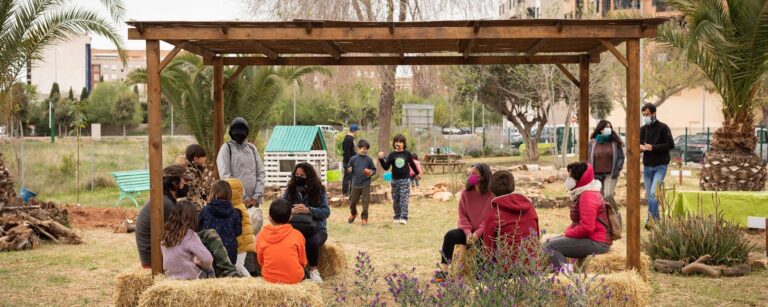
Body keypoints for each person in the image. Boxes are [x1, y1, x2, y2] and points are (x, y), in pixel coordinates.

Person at [544, 162, 612, 271]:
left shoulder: (588, 196)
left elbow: (587, 227)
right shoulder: (584, 192)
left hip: (597, 242)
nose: (568, 179)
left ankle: (566, 274)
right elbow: (577, 222)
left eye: (570, 176)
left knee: (551, 246)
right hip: (592, 238)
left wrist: (567, 234)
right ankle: (566, 270)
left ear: (579, 179)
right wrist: (566, 234)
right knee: (548, 242)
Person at [432, 164, 494, 282]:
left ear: (483, 176)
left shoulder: (491, 195)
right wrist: (468, 232)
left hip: (484, 233)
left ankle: (480, 275)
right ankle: (443, 272)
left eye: (474, 174)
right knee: (450, 235)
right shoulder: (466, 193)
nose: (470, 176)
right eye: (470, 173)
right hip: (468, 233)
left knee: (483, 244)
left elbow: (489, 219)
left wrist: (477, 234)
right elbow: (463, 216)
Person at [135, 165, 194, 268]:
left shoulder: (164, 199)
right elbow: (182, 233)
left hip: (152, 256)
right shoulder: (166, 204)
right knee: (205, 237)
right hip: (154, 261)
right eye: (184, 181)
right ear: (174, 183)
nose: (187, 185)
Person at [282, 163, 331, 282]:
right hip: (295, 227)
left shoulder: (319, 190)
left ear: (309, 176)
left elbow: (326, 211)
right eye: (297, 175)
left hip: (317, 229)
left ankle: (313, 270)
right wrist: (289, 210)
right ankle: (296, 270)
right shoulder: (290, 190)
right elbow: (281, 208)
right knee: (289, 242)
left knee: (312, 242)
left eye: (302, 175)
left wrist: (309, 210)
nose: (299, 177)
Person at [482, 170, 539, 264]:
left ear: (491, 191)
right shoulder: (530, 208)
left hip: (507, 268)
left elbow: (488, 252)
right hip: (532, 265)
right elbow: (536, 238)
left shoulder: (493, 215)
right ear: (513, 187)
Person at [217, 117, 266, 211]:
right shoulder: (226, 148)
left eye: (242, 130)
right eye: (237, 130)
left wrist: (257, 196)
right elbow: (226, 176)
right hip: (235, 201)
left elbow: (260, 173)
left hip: (253, 202)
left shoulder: (252, 148)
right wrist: (243, 197)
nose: (239, 133)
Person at [256, 198, 308, 284]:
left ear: (269, 217)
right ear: (290, 217)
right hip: (294, 279)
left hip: (269, 278)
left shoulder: (261, 235)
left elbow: (260, 260)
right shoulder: (297, 235)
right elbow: (303, 261)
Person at [160, 200, 214, 280]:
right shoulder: (190, 235)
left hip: (171, 278)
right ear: (192, 217)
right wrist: (199, 263)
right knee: (210, 270)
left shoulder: (165, 236)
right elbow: (208, 259)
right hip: (191, 277)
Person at [640, 103, 674, 227]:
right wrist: (640, 148)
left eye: (647, 114)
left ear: (654, 113)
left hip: (660, 166)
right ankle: (657, 220)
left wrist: (653, 147)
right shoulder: (642, 129)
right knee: (650, 196)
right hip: (647, 167)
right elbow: (638, 144)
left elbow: (670, 145)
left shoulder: (663, 128)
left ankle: (650, 221)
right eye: (644, 115)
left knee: (653, 194)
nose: (645, 117)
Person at [378, 134, 420, 225]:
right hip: (395, 180)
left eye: (401, 142)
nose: (398, 143)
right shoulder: (392, 155)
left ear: (404, 144)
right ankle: (397, 216)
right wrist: (381, 159)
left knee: (404, 198)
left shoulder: (407, 153)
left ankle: (403, 217)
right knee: (396, 198)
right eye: (396, 142)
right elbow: (386, 167)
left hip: (405, 179)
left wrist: (417, 173)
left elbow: (412, 164)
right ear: (394, 143)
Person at [198, 180, 242, 265]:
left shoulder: (205, 210)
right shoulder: (235, 212)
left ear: (213, 192)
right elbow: (238, 231)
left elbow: (198, 228)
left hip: (209, 250)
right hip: (229, 251)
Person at [588, 120, 625, 210]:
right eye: (606, 127)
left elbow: (621, 157)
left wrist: (618, 167)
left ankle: (616, 212)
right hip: (596, 175)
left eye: (610, 127)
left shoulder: (615, 143)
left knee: (608, 195)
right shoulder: (592, 143)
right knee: (600, 199)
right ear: (600, 129)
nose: (609, 129)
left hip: (610, 174)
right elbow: (588, 157)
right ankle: (606, 217)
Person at [224, 178, 256, 277]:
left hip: (241, 243)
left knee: (238, 266)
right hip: (241, 242)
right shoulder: (239, 206)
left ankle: (250, 281)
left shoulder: (237, 209)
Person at [347, 139, 377, 225]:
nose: (365, 150)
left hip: (365, 184)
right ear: (358, 148)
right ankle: (353, 213)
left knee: (365, 203)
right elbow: (348, 168)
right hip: (355, 184)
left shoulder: (369, 159)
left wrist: (371, 172)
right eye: (364, 148)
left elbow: (374, 170)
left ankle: (364, 218)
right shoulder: (353, 159)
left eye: (367, 149)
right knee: (352, 202)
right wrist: (349, 169)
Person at [181, 144, 210, 210]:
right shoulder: (189, 173)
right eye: (203, 156)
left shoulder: (196, 170)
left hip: (197, 203)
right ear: (195, 159)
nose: (205, 158)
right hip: (191, 207)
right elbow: (185, 192)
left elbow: (197, 186)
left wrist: (205, 196)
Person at [341, 124, 359, 196]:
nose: (357, 132)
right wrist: (349, 164)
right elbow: (346, 152)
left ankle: (352, 193)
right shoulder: (348, 139)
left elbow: (352, 150)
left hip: (352, 161)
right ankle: (345, 193)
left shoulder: (351, 138)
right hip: (348, 162)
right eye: (357, 131)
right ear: (355, 131)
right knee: (347, 177)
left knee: (352, 178)